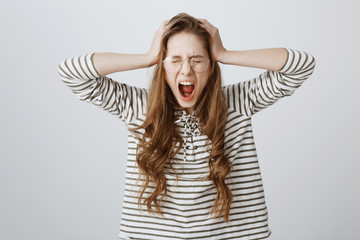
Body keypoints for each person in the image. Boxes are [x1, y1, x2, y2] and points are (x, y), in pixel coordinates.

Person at [58, 13, 315, 240]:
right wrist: (147, 57)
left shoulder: (238, 102)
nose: (187, 70)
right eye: (175, 59)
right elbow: (71, 73)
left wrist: (225, 54)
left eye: (197, 59)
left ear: (211, 66)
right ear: (162, 66)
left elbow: (301, 65)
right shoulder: (138, 107)